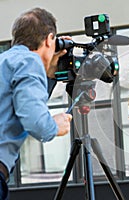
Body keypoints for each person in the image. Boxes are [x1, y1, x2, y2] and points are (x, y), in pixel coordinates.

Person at [0, 7, 72, 199]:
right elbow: (35, 122)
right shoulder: (29, 61)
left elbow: (22, 101)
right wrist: (54, 126)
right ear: (49, 39)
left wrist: (49, 75)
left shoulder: (5, 61)